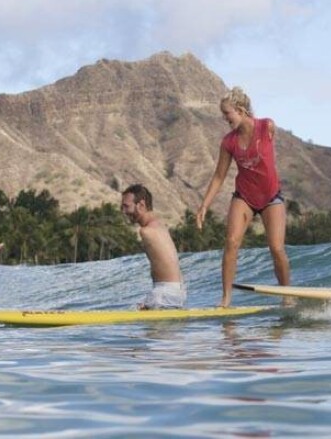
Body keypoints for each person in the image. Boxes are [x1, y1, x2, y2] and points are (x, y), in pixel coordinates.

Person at [196, 87, 291, 307]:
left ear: (240, 110)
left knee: (276, 248)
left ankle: (287, 296)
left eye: (227, 114)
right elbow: (219, 176)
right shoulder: (228, 142)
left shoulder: (266, 126)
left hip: (271, 196)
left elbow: (270, 136)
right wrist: (204, 205)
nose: (225, 119)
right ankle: (226, 299)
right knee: (231, 242)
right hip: (244, 196)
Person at [121, 184, 186, 310]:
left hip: (163, 293)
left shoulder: (146, 232)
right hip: (178, 291)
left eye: (126, 206)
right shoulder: (160, 226)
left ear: (141, 205)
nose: (123, 211)